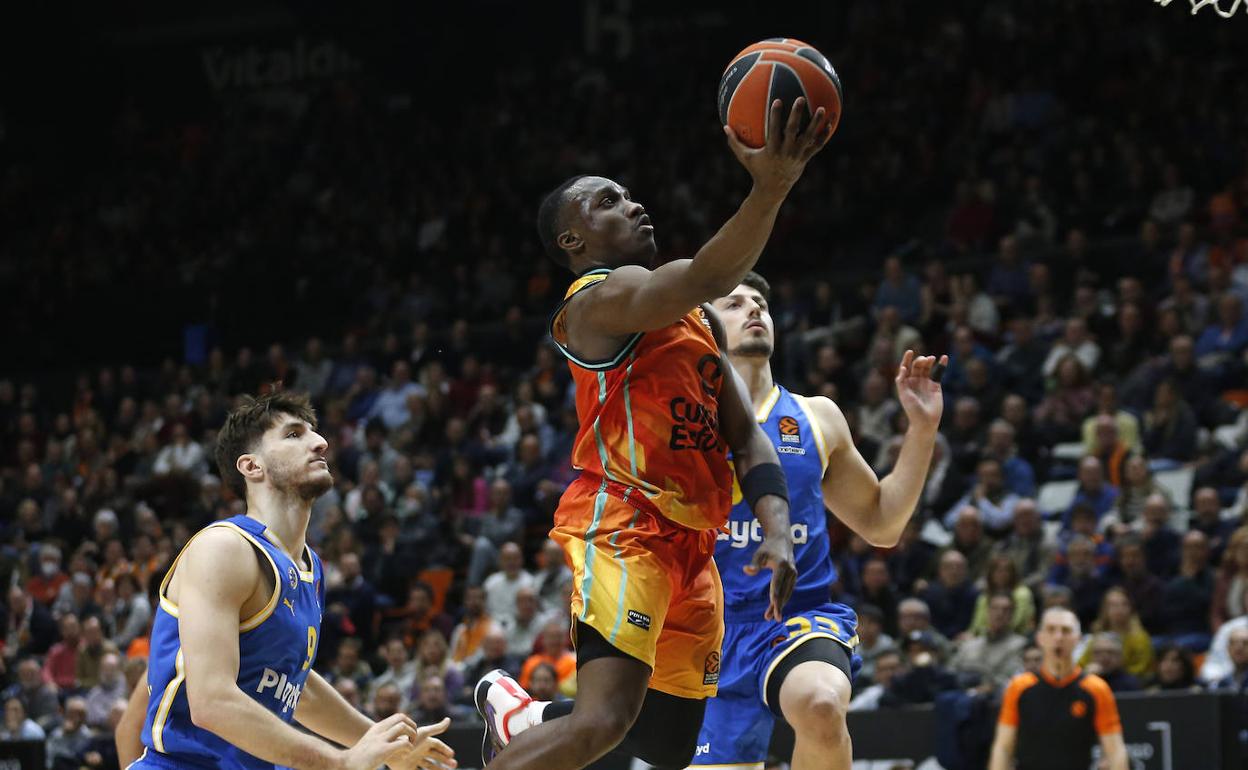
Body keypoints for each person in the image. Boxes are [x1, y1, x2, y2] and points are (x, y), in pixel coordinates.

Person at [476, 101, 831, 770]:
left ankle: (525, 721)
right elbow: (705, 274)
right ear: (573, 242)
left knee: (669, 750)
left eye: (630, 195)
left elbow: (747, 438)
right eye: (608, 203)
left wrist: (777, 529)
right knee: (603, 721)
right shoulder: (594, 302)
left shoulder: (697, 326)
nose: (633, 205)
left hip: (694, 547)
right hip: (624, 522)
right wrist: (772, 185)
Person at [688, 272, 945, 770]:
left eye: (760, 302)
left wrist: (922, 429)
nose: (754, 310)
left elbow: (882, 523)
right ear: (703, 324)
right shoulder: (684, 418)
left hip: (795, 619)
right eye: (735, 303)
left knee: (823, 704)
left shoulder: (817, 416)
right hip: (705, 636)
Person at [120, 392, 454, 770]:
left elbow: (295, 685)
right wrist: (342, 762)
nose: (320, 442)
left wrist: (381, 742)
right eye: (294, 435)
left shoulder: (310, 567)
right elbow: (212, 702)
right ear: (251, 466)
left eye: (315, 432)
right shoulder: (224, 547)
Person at [989, 607, 1128, 770]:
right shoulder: (1019, 687)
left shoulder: (1096, 688)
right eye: (1051, 630)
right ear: (1040, 637)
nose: (1058, 637)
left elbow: (1115, 751)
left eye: (1066, 631)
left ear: (1078, 639)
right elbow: (1003, 748)